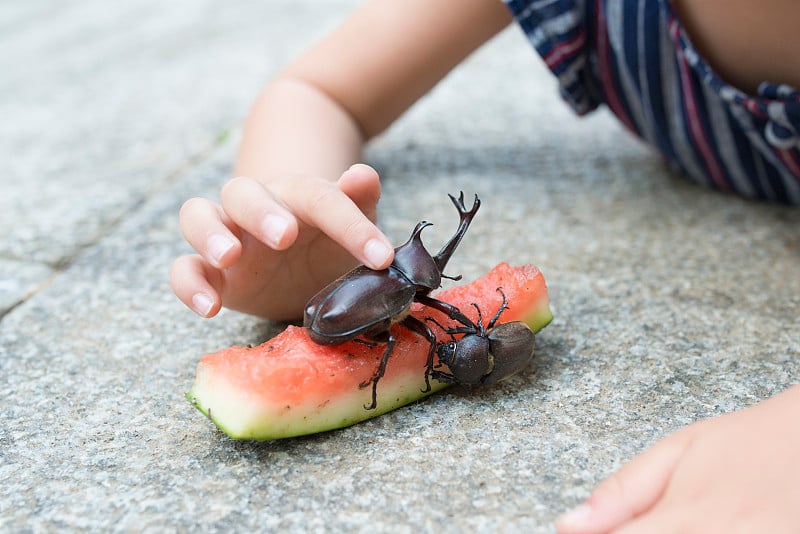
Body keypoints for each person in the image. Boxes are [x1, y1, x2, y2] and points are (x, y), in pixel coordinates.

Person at [170, 1, 800, 531]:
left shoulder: (420, 305)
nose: (441, 270)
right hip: (353, 302)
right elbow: (314, 91)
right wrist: (288, 210)